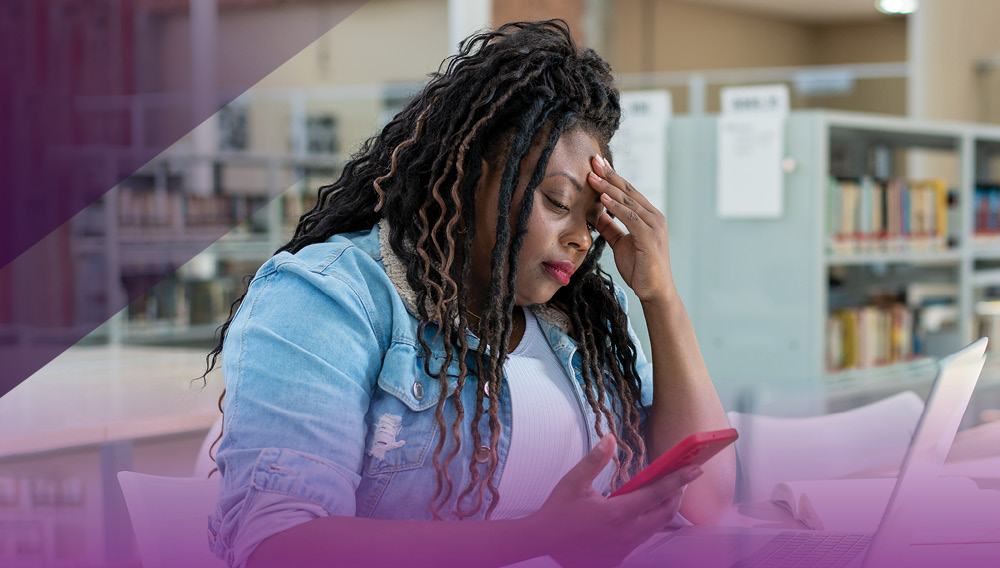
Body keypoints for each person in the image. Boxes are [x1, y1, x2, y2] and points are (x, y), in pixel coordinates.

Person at [203, 20, 735, 568]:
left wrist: (661, 297)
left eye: (591, 220)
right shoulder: (329, 296)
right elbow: (281, 548)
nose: (580, 238)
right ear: (473, 175)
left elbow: (706, 502)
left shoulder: (578, 317)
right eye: (556, 202)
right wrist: (536, 539)